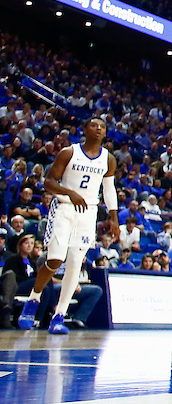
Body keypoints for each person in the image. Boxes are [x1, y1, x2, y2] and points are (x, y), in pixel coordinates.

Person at [17, 116, 116, 333]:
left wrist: (114, 217)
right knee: (55, 259)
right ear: (85, 129)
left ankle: (59, 315)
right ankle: (33, 300)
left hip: (88, 212)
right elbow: (49, 182)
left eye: (102, 126)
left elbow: (109, 190)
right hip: (64, 208)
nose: (98, 129)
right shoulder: (69, 152)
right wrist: (70, 192)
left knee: (75, 264)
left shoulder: (108, 159)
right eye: (93, 125)